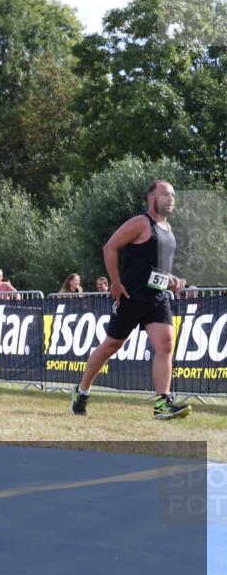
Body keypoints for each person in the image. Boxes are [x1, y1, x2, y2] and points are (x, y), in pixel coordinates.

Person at [72, 180, 191, 420]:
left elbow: (155, 268)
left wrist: (171, 279)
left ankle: (162, 404)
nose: (171, 199)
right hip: (130, 297)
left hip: (156, 298)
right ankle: (81, 391)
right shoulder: (140, 223)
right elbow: (110, 247)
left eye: (173, 196)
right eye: (165, 194)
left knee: (166, 345)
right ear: (151, 197)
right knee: (110, 347)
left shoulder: (167, 229)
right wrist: (115, 282)